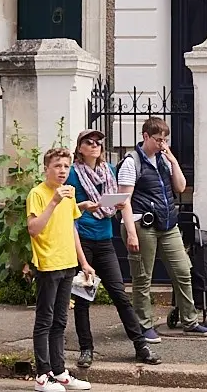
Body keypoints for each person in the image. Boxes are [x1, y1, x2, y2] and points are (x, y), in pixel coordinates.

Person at [67, 128, 161, 368]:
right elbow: (64, 209)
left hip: (105, 239)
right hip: (82, 240)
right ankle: (86, 349)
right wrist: (82, 206)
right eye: (89, 142)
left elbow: (123, 201)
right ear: (80, 148)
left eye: (98, 142)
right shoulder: (72, 174)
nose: (95, 145)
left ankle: (141, 346)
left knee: (119, 294)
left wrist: (129, 229)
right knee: (83, 298)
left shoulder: (109, 170)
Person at [118, 117, 206, 341]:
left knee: (183, 270)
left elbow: (180, 187)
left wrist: (173, 160)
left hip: (168, 224)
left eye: (165, 140)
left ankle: (190, 321)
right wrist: (131, 233)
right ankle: (144, 325)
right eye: (158, 140)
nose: (162, 144)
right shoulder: (131, 162)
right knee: (142, 277)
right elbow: (123, 200)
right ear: (145, 136)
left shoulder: (163, 160)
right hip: (142, 224)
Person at [27, 147, 96, 392]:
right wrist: (54, 201)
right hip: (48, 263)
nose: (62, 171)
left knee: (60, 320)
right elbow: (34, 228)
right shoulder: (37, 193)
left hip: (68, 263)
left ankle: (59, 370)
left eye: (66, 166)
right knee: (44, 320)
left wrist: (84, 262)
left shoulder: (70, 192)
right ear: (46, 168)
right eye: (57, 166)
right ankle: (42, 375)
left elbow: (72, 228)